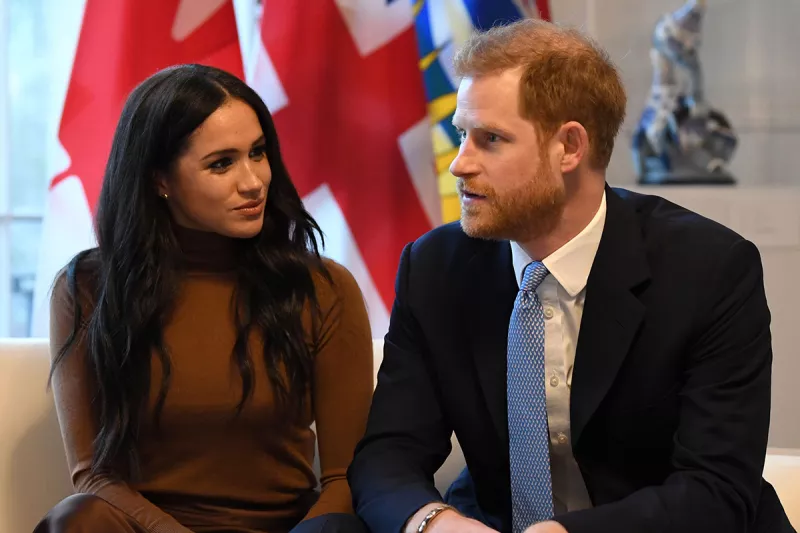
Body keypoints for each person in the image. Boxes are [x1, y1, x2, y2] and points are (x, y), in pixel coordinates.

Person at [347, 19, 794, 533]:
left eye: (490, 139)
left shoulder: (711, 270)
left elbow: (715, 490)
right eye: (461, 135)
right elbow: (388, 454)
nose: (460, 164)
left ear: (570, 147)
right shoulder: (435, 268)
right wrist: (434, 522)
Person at [35, 64, 373, 533]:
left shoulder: (322, 287)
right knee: (77, 520)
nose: (253, 181)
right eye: (221, 163)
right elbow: (93, 474)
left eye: (258, 153)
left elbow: (344, 476)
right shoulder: (88, 287)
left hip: (291, 529)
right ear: (159, 180)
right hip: (148, 528)